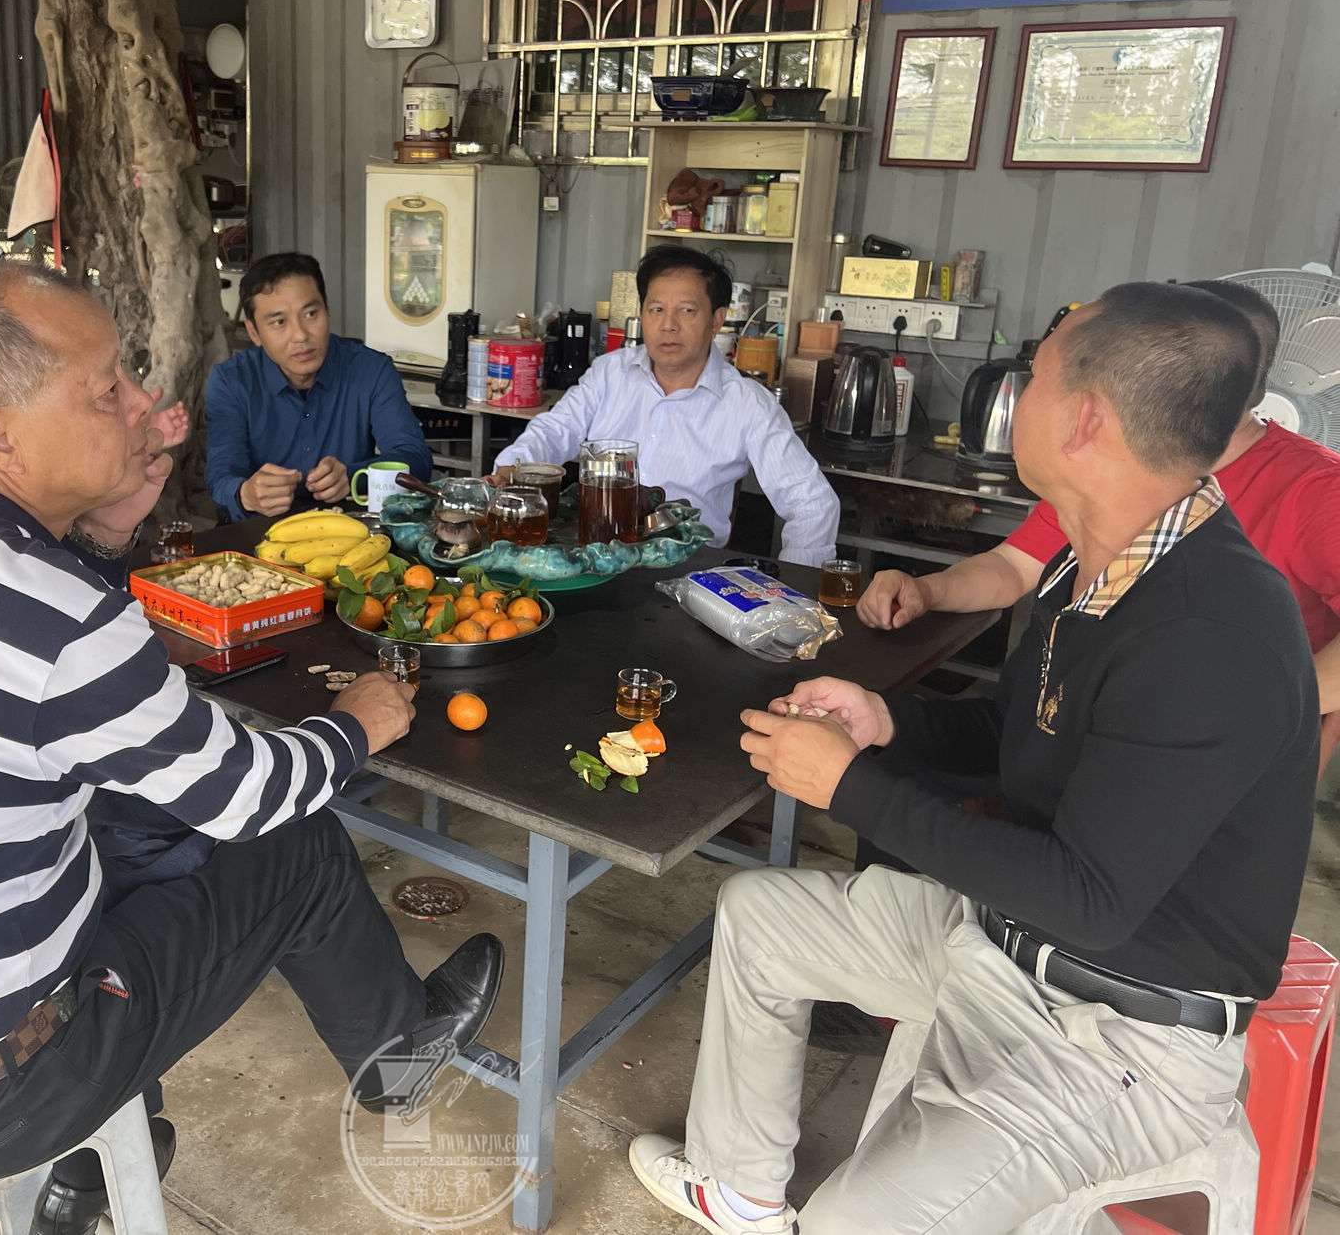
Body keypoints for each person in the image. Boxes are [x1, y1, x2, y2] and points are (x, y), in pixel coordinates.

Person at [0, 261, 503, 1235]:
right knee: (292, 843)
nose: (141, 405)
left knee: (119, 827)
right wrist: (360, 720)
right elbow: (249, 794)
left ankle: (85, 1180)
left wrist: (103, 537)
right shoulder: (57, 619)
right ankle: (399, 1054)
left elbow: (28, 695)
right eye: (104, 390)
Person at [629, 283, 1317, 1232]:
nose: (1018, 397)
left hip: (1125, 1033)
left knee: (851, 1224)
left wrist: (849, 786)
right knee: (760, 914)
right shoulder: (1094, 563)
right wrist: (885, 724)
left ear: (1084, 418)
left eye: (1036, 377)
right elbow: (1017, 732)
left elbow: (1088, 899)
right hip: (1007, 947)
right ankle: (739, 1186)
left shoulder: (1214, 633)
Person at [859, 279, 1340, 766]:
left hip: (1218, 756)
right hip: (1100, 727)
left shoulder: (1317, 490)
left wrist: (1274, 709)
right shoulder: (1118, 471)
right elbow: (1014, 566)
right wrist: (929, 591)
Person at [493, 245, 838, 561]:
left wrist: (794, 588)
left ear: (717, 320)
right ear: (642, 314)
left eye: (687, 311)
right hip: (597, 556)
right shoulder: (610, 374)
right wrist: (512, 470)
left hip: (689, 569)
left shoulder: (746, 403)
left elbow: (812, 503)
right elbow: (554, 431)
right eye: (656, 309)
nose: (668, 325)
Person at [205, 252, 432, 520]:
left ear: (327, 310)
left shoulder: (371, 370)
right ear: (254, 332)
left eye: (311, 313)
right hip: (260, 532)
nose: (300, 335)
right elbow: (221, 476)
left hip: (349, 527)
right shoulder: (232, 381)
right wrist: (247, 494)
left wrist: (353, 476)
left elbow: (415, 459)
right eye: (279, 322)